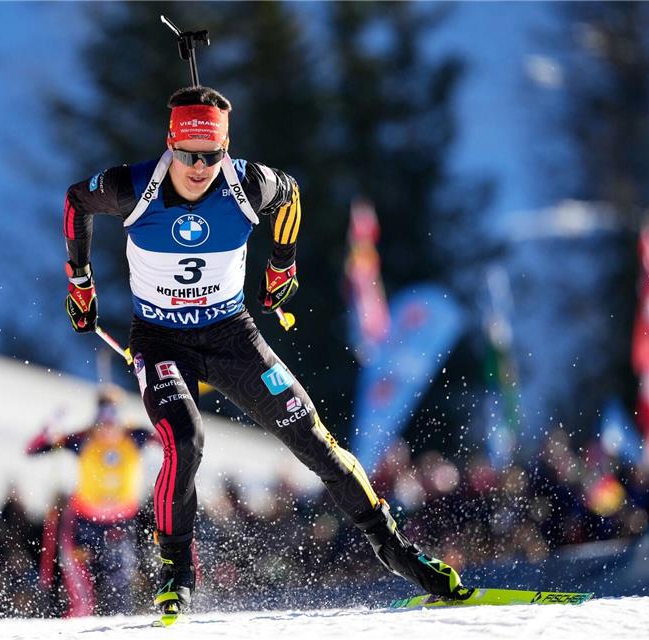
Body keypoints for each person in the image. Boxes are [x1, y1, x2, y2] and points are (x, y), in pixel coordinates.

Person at [62, 86, 464, 618]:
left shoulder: (246, 182)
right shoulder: (133, 186)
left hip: (233, 336)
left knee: (315, 441)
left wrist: (282, 266)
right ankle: (177, 574)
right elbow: (75, 201)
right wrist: (81, 282)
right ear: (170, 146)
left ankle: (397, 552)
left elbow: (291, 195)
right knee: (184, 439)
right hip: (162, 341)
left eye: (212, 155)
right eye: (188, 155)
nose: (200, 167)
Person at [25, 385, 156, 616]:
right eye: (102, 418)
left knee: (120, 588)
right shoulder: (82, 439)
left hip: (120, 524)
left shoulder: (136, 436)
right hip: (83, 525)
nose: (107, 426)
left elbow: (175, 441)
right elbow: (33, 449)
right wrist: (49, 427)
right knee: (82, 598)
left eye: (113, 417)